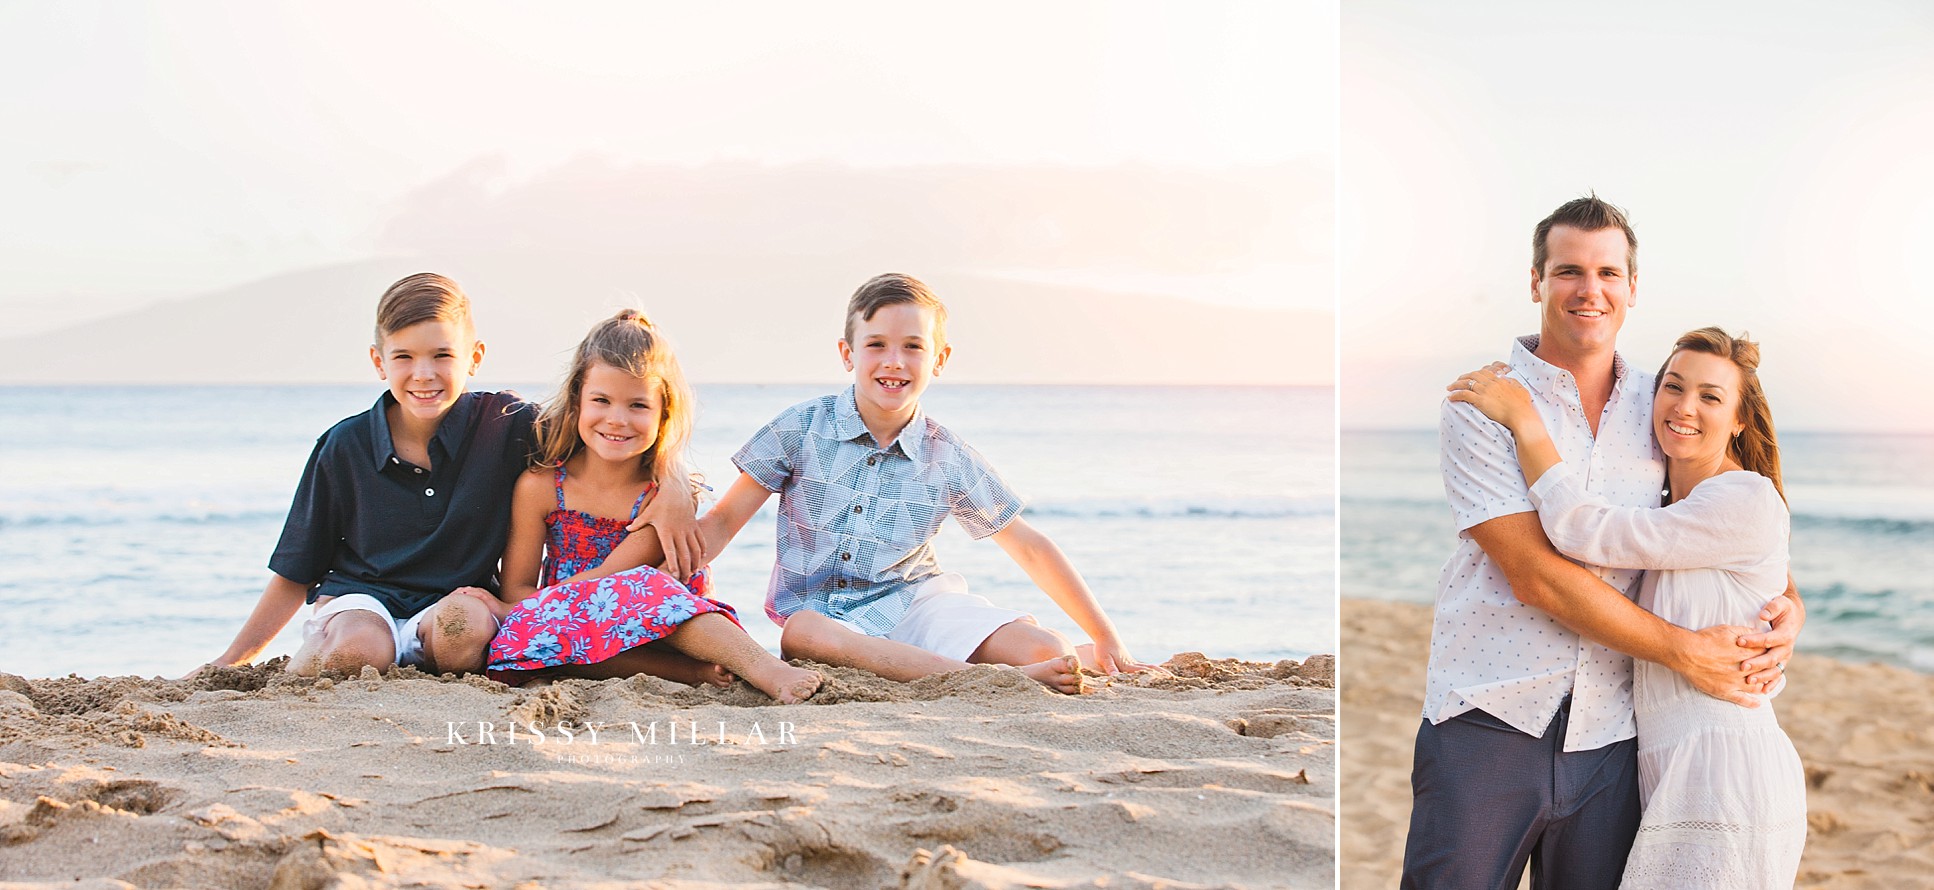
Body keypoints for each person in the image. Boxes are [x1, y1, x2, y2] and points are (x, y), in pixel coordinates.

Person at [1400, 196, 1805, 890]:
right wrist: (1686, 652)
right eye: (1568, 271)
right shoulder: (1485, 402)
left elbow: (1719, 521)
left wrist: (1787, 605)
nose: (1590, 291)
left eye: (1609, 273)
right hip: (1492, 717)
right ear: (1537, 282)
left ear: (1632, 288)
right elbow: (1537, 576)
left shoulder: (1664, 405)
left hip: (1615, 737)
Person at [205, 274, 697, 676]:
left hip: (454, 605)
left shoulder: (509, 425)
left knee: (465, 630)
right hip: (360, 601)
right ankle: (325, 658)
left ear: (474, 358)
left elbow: (603, 437)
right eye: (404, 357)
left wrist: (672, 481)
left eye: (442, 355)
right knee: (359, 650)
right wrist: (233, 659)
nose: (424, 374)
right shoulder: (344, 447)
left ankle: (428, 673)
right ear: (379, 362)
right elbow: (296, 570)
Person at [692, 273, 1150, 694]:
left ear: (939, 359)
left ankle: (1019, 667)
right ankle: (976, 680)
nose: (894, 361)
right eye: (876, 345)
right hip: (830, 623)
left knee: (1048, 650)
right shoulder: (800, 428)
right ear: (847, 353)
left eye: (913, 346)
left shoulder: (946, 454)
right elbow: (725, 519)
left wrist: (1106, 637)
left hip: (918, 604)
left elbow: (1027, 545)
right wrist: (662, 569)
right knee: (802, 634)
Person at [461, 310, 822, 703]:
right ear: (577, 399)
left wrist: (512, 605)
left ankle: (767, 668)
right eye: (601, 400)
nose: (617, 420)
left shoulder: (660, 496)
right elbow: (517, 585)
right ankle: (690, 675)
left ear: (663, 412)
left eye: (637, 405)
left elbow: (611, 579)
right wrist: (510, 605)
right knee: (522, 644)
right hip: (578, 629)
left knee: (643, 587)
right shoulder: (540, 486)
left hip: (668, 626)